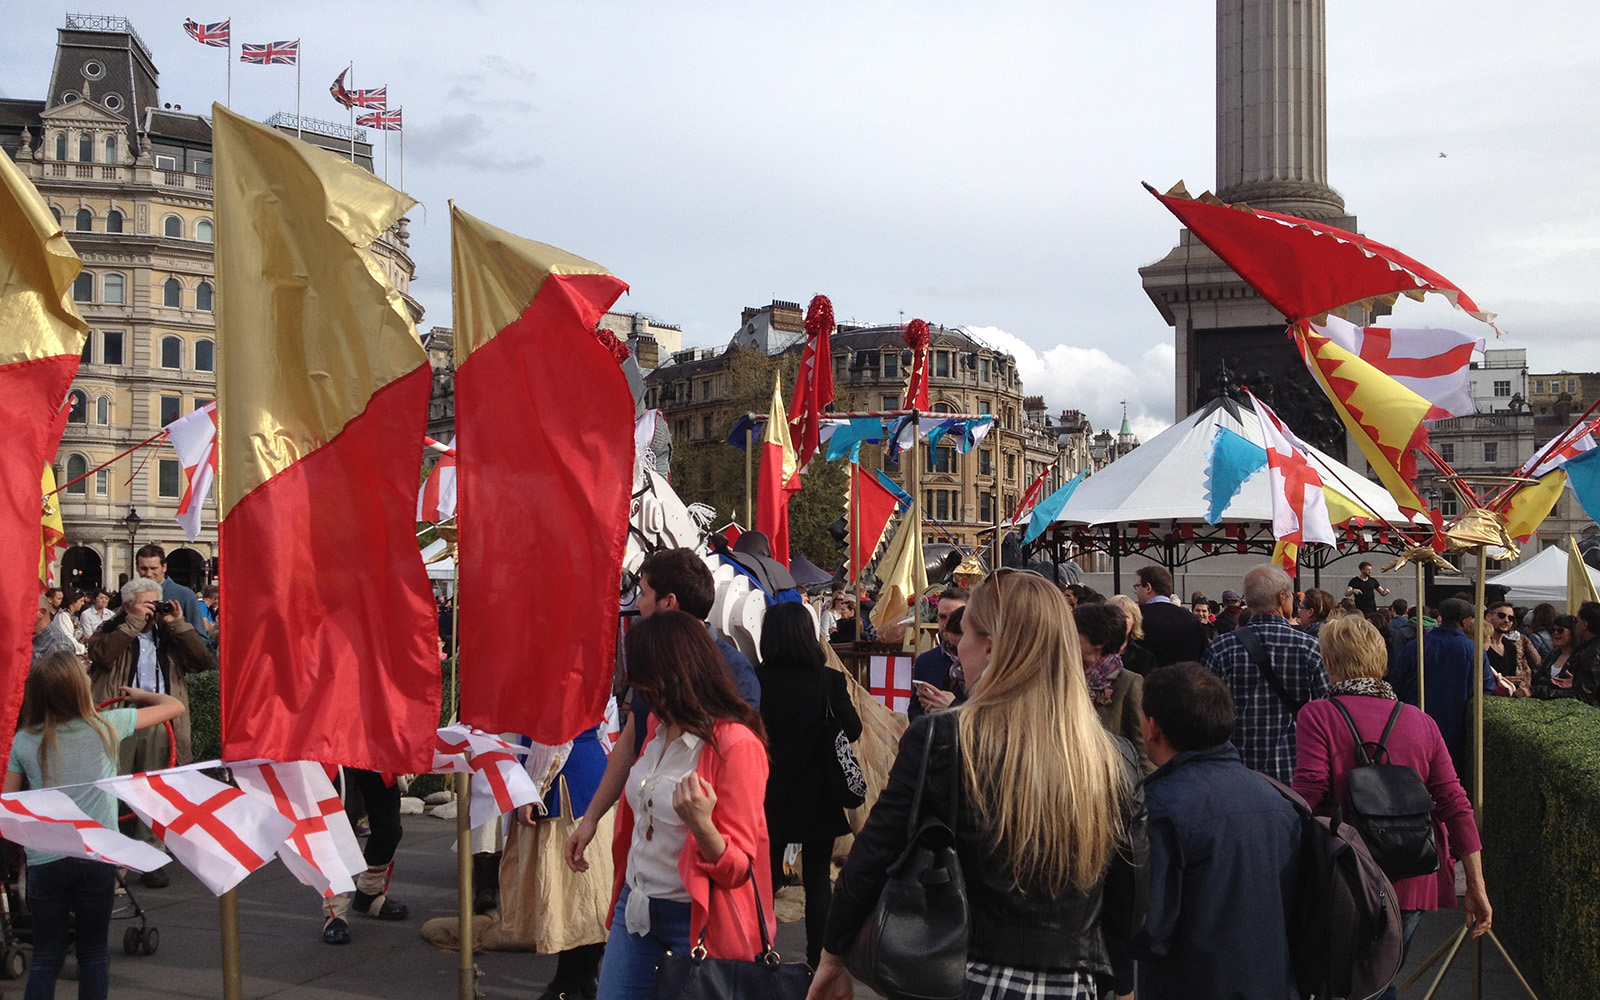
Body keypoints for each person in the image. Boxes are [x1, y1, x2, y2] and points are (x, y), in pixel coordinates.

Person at [810, 570, 1148, 1000]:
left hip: (960, 972)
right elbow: (1129, 911)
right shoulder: (1112, 758)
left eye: (964, 632)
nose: (959, 646)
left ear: (990, 646)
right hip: (1071, 981)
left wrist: (832, 956)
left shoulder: (941, 738)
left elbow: (874, 854)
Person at [564, 549, 762, 962]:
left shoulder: (732, 677)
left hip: (697, 905)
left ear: (669, 602)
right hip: (637, 895)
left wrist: (703, 827)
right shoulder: (654, 669)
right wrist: (592, 818)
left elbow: (737, 806)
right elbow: (630, 740)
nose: (637, 602)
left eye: (645, 592)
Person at [1295, 617, 1492, 1000]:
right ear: (1381, 662)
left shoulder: (1317, 715)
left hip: (1347, 874)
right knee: (1381, 980)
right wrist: (1477, 886)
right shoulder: (1421, 722)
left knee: (1338, 982)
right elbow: (1454, 802)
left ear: (1330, 664)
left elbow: (1309, 794)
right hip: (1412, 873)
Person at [583, 611, 771, 1000]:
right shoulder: (657, 726)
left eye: (645, 681)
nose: (638, 692)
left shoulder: (736, 744)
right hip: (635, 906)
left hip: (697, 919)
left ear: (674, 674)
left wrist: (703, 826)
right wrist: (590, 821)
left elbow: (739, 869)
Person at [5, 651, 185, 1000]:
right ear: (80, 689)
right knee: (93, 954)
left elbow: (8, 803)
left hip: (46, 858)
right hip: (96, 855)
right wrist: (139, 694)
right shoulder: (107, 725)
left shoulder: (25, 741)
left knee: (45, 957)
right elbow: (174, 705)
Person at [1134, 662, 1303, 1000]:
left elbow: (1151, 929)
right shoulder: (1278, 800)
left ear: (1152, 727)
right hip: (1272, 981)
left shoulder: (1162, 808)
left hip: (1190, 983)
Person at [84, 576, 214, 887]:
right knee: (109, 788)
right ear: (128, 605)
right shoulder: (112, 628)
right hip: (118, 717)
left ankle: (151, 856)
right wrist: (130, 624)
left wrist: (178, 624)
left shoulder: (167, 635)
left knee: (156, 791)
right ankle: (108, 856)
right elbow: (101, 655)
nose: (152, 609)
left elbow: (202, 661)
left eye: (155, 602)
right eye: (145, 603)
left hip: (160, 719)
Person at [756, 602, 861, 968]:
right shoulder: (829, 680)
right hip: (819, 791)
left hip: (769, 792)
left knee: (765, 875)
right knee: (817, 878)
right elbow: (854, 730)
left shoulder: (757, 680)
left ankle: (760, 951)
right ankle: (819, 959)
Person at [1202, 565, 1329, 783]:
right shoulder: (1310, 648)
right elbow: (1325, 712)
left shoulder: (1221, 648)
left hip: (1236, 771)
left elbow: (1205, 714)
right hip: (1294, 770)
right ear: (1282, 598)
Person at [1391, 598, 1496, 765]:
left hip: (1416, 723)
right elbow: (1486, 689)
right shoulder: (1474, 651)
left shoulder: (1416, 646)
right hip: (1456, 728)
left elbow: (1396, 683)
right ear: (1466, 621)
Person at [1074, 602, 1152, 774]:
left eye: (1076, 634)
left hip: (1113, 781)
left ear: (1098, 642)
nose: (1069, 638)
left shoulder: (1129, 683)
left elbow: (1143, 747)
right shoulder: (1068, 678)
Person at [908, 586, 968, 720]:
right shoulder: (925, 662)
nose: (947, 624)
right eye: (942, 617)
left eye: (954, 617)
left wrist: (953, 707)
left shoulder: (985, 661)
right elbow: (914, 711)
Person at [1132, 565, 1208, 666]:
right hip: (1186, 678)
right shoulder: (1192, 619)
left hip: (1148, 679)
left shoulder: (1136, 618)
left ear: (1148, 588)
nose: (1136, 591)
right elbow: (1205, 658)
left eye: (1138, 586)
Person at [133, 544, 208, 635]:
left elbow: (200, 637)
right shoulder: (131, 595)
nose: (149, 573)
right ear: (137, 568)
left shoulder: (185, 595)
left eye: (153, 568)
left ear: (164, 567)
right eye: (143, 568)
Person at [1483, 600, 1538, 697]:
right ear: (1488, 617)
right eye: (1501, 615)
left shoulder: (1511, 647)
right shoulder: (1481, 646)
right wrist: (1500, 679)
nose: (1506, 620)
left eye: (1511, 618)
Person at [1108, 594, 1159, 676]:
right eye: (1115, 615)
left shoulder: (1145, 658)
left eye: (1125, 617)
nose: (1120, 620)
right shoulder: (1094, 654)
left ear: (1134, 621)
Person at [1533, 614, 1579, 698]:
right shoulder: (1553, 654)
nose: (1555, 633)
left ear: (1573, 632)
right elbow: (1537, 678)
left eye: (1560, 630)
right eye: (1553, 630)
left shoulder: (1580, 657)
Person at [1565, 602, 1600, 706]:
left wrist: (1540, 691)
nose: (1575, 624)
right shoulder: (1588, 648)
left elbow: (1583, 695)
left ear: (1585, 625)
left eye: (1576, 620)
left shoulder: (1591, 653)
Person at [32, 594, 78, 663]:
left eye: (24, 610)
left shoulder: (58, 645)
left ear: (41, 612)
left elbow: (62, 673)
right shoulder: (28, 639)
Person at [51, 588, 89, 653]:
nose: (83, 604)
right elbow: (67, 638)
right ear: (73, 602)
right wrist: (83, 650)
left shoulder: (72, 616)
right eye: (81, 601)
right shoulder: (62, 616)